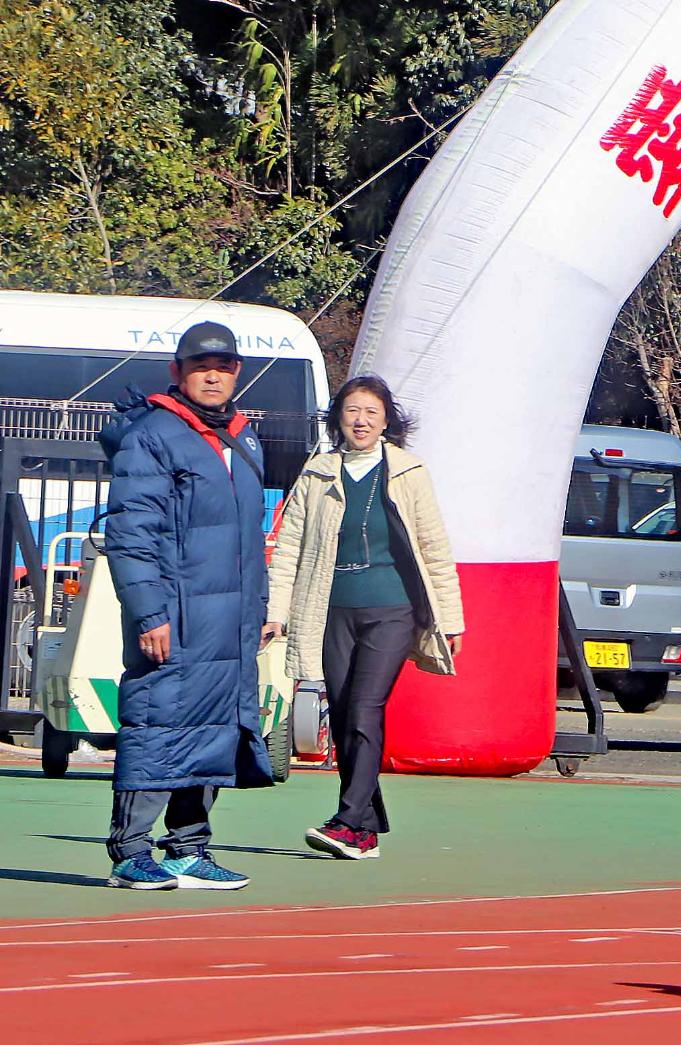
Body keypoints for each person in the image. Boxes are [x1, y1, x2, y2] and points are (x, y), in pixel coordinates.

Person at [98, 322, 278, 891]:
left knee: (213, 729)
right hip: (176, 620)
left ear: (237, 374)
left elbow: (249, 535)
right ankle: (130, 852)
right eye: (201, 366)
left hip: (230, 623)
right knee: (156, 722)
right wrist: (150, 613)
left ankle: (188, 848)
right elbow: (132, 535)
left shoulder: (243, 438)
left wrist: (260, 607)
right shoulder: (153, 435)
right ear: (177, 372)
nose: (213, 375)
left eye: (224, 366)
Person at [267, 375, 465, 860]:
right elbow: (290, 546)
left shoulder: (407, 471)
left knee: (364, 708)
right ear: (338, 416)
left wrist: (451, 618)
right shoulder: (317, 473)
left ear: (386, 421)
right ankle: (364, 828)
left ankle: (347, 820)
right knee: (343, 713)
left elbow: (434, 547)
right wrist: (277, 612)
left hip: (393, 609)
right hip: (332, 608)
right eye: (353, 410)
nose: (361, 420)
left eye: (372, 412)